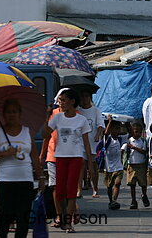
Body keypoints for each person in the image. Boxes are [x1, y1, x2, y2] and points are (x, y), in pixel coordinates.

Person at [0, 98, 44, 238]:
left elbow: (34, 156)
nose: (11, 115)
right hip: (5, 181)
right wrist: (4, 153)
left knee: (23, 217)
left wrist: (41, 176)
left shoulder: (27, 132)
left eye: (14, 112)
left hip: (25, 180)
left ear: (20, 114)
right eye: (8, 112)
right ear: (4, 115)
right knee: (5, 215)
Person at [44, 88, 94, 233]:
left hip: (75, 158)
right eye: (60, 101)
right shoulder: (57, 118)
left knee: (71, 191)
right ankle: (61, 216)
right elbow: (45, 134)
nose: (61, 103)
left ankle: (68, 222)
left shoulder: (81, 119)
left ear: (72, 102)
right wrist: (47, 116)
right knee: (59, 191)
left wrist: (90, 162)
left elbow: (86, 142)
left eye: (64, 100)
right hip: (60, 157)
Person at [76, 88, 104, 198]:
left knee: (92, 166)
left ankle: (95, 188)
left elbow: (101, 125)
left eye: (86, 96)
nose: (84, 99)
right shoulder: (78, 110)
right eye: (82, 96)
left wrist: (98, 135)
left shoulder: (95, 110)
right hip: (80, 142)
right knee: (81, 163)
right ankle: (79, 189)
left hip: (93, 142)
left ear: (90, 98)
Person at [102, 116, 128, 210]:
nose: (117, 130)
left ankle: (114, 199)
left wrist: (127, 123)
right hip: (109, 167)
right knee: (109, 186)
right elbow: (106, 133)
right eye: (115, 128)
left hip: (118, 167)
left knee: (117, 183)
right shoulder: (108, 139)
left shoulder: (120, 139)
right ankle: (111, 200)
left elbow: (130, 134)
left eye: (118, 128)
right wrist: (110, 121)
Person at [123, 121, 150, 210]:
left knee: (143, 183)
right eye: (136, 131)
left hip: (141, 165)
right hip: (132, 165)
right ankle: (133, 200)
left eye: (139, 132)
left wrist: (134, 148)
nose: (138, 134)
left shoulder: (143, 141)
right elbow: (123, 149)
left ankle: (144, 194)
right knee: (132, 184)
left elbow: (144, 151)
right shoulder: (129, 141)